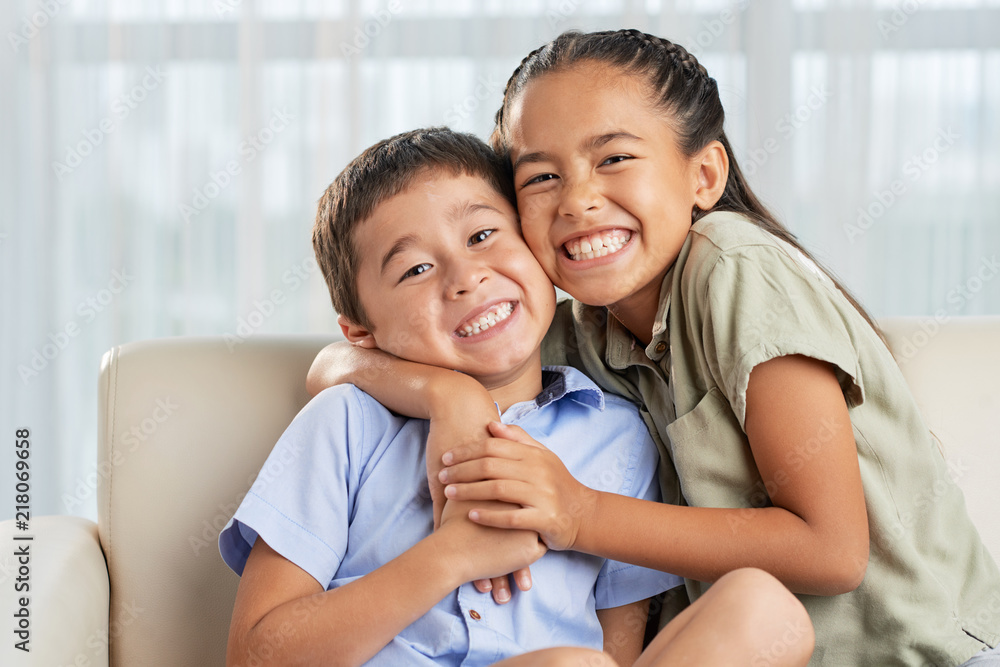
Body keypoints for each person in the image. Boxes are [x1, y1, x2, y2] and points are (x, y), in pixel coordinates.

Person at [306, 30, 1000, 666]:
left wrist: (579, 512)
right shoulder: (579, 329)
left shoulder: (733, 268)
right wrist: (448, 395)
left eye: (613, 158)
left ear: (703, 177)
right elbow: (332, 363)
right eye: (541, 176)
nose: (577, 200)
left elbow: (834, 549)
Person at [219, 127, 814, 667]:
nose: (465, 276)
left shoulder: (617, 434)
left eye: (482, 235)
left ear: (535, 244)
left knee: (764, 607)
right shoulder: (345, 425)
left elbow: (619, 645)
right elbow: (255, 654)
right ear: (361, 332)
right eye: (416, 269)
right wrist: (450, 556)